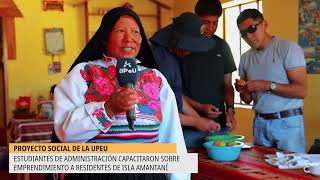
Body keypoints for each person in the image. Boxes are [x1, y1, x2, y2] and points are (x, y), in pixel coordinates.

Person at [53, 7, 189, 180]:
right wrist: (108, 109)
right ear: (105, 37)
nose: (129, 38)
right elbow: (65, 133)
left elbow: (172, 136)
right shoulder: (83, 74)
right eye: (121, 31)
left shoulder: (155, 77)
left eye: (135, 32)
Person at [235, 9, 307, 153]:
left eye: (252, 28)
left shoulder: (287, 48)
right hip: (260, 122)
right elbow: (247, 100)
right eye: (243, 33)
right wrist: (243, 90)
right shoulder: (245, 58)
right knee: (261, 171)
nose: (249, 36)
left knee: (290, 173)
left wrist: (268, 85)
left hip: (288, 122)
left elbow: (302, 91)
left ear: (264, 24)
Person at [149, 12, 221, 148]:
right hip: (160, 134)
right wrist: (196, 122)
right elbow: (162, 111)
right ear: (181, 46)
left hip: (174, 125)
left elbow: (175, 97)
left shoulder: (172, 57)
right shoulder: (161, 62)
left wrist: (200, 118)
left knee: (213, 136)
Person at [180, 0, 237, 148]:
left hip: (219, 127)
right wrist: (199, 108)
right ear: (196, 19)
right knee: (189, 169)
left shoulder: (223, 47)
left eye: (215, 23)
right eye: (206, 22)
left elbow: (227, 85)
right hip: (188, 128)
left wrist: (230, 110)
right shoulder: (183, 47)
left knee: (221, 169)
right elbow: (175, 91)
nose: (211, 28)